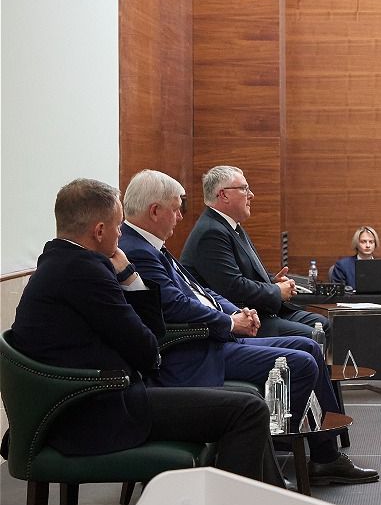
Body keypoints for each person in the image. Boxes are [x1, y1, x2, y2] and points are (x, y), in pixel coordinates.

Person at [6, 179, 281, 485]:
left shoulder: (57, 262)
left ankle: (266, 499)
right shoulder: (86, 272)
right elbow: (149, 350)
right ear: (99, 231)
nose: (121, 234)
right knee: (248, 410)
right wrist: (132, 280)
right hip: (97, 413)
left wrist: (128, 277)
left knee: (247, 400)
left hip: (82, 402)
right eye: (118, 226)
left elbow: (146, 341)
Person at [120, 170, 378, 485]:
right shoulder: (139, 250)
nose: (180, 216)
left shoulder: (151, 245)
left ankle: (323, 457)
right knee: (302, 361)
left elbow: (202, 291)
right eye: (176, 209)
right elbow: (176, 305)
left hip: (213, 336)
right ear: (154, 211)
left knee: (310, 346)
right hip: (194, 350)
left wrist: (236, 312)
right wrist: (231, 321)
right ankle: (268, 459)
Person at [181, 166, 329, 340]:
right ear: (224, 195)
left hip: (262, 310)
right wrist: (276, 291)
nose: (251, 195)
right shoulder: (211, 232)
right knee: (312, 336)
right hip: (243, 318)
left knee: (323, 324)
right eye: (244, 188)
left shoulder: (230, 226)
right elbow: (233, 288)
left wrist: (272, 281)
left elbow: (245, 273)